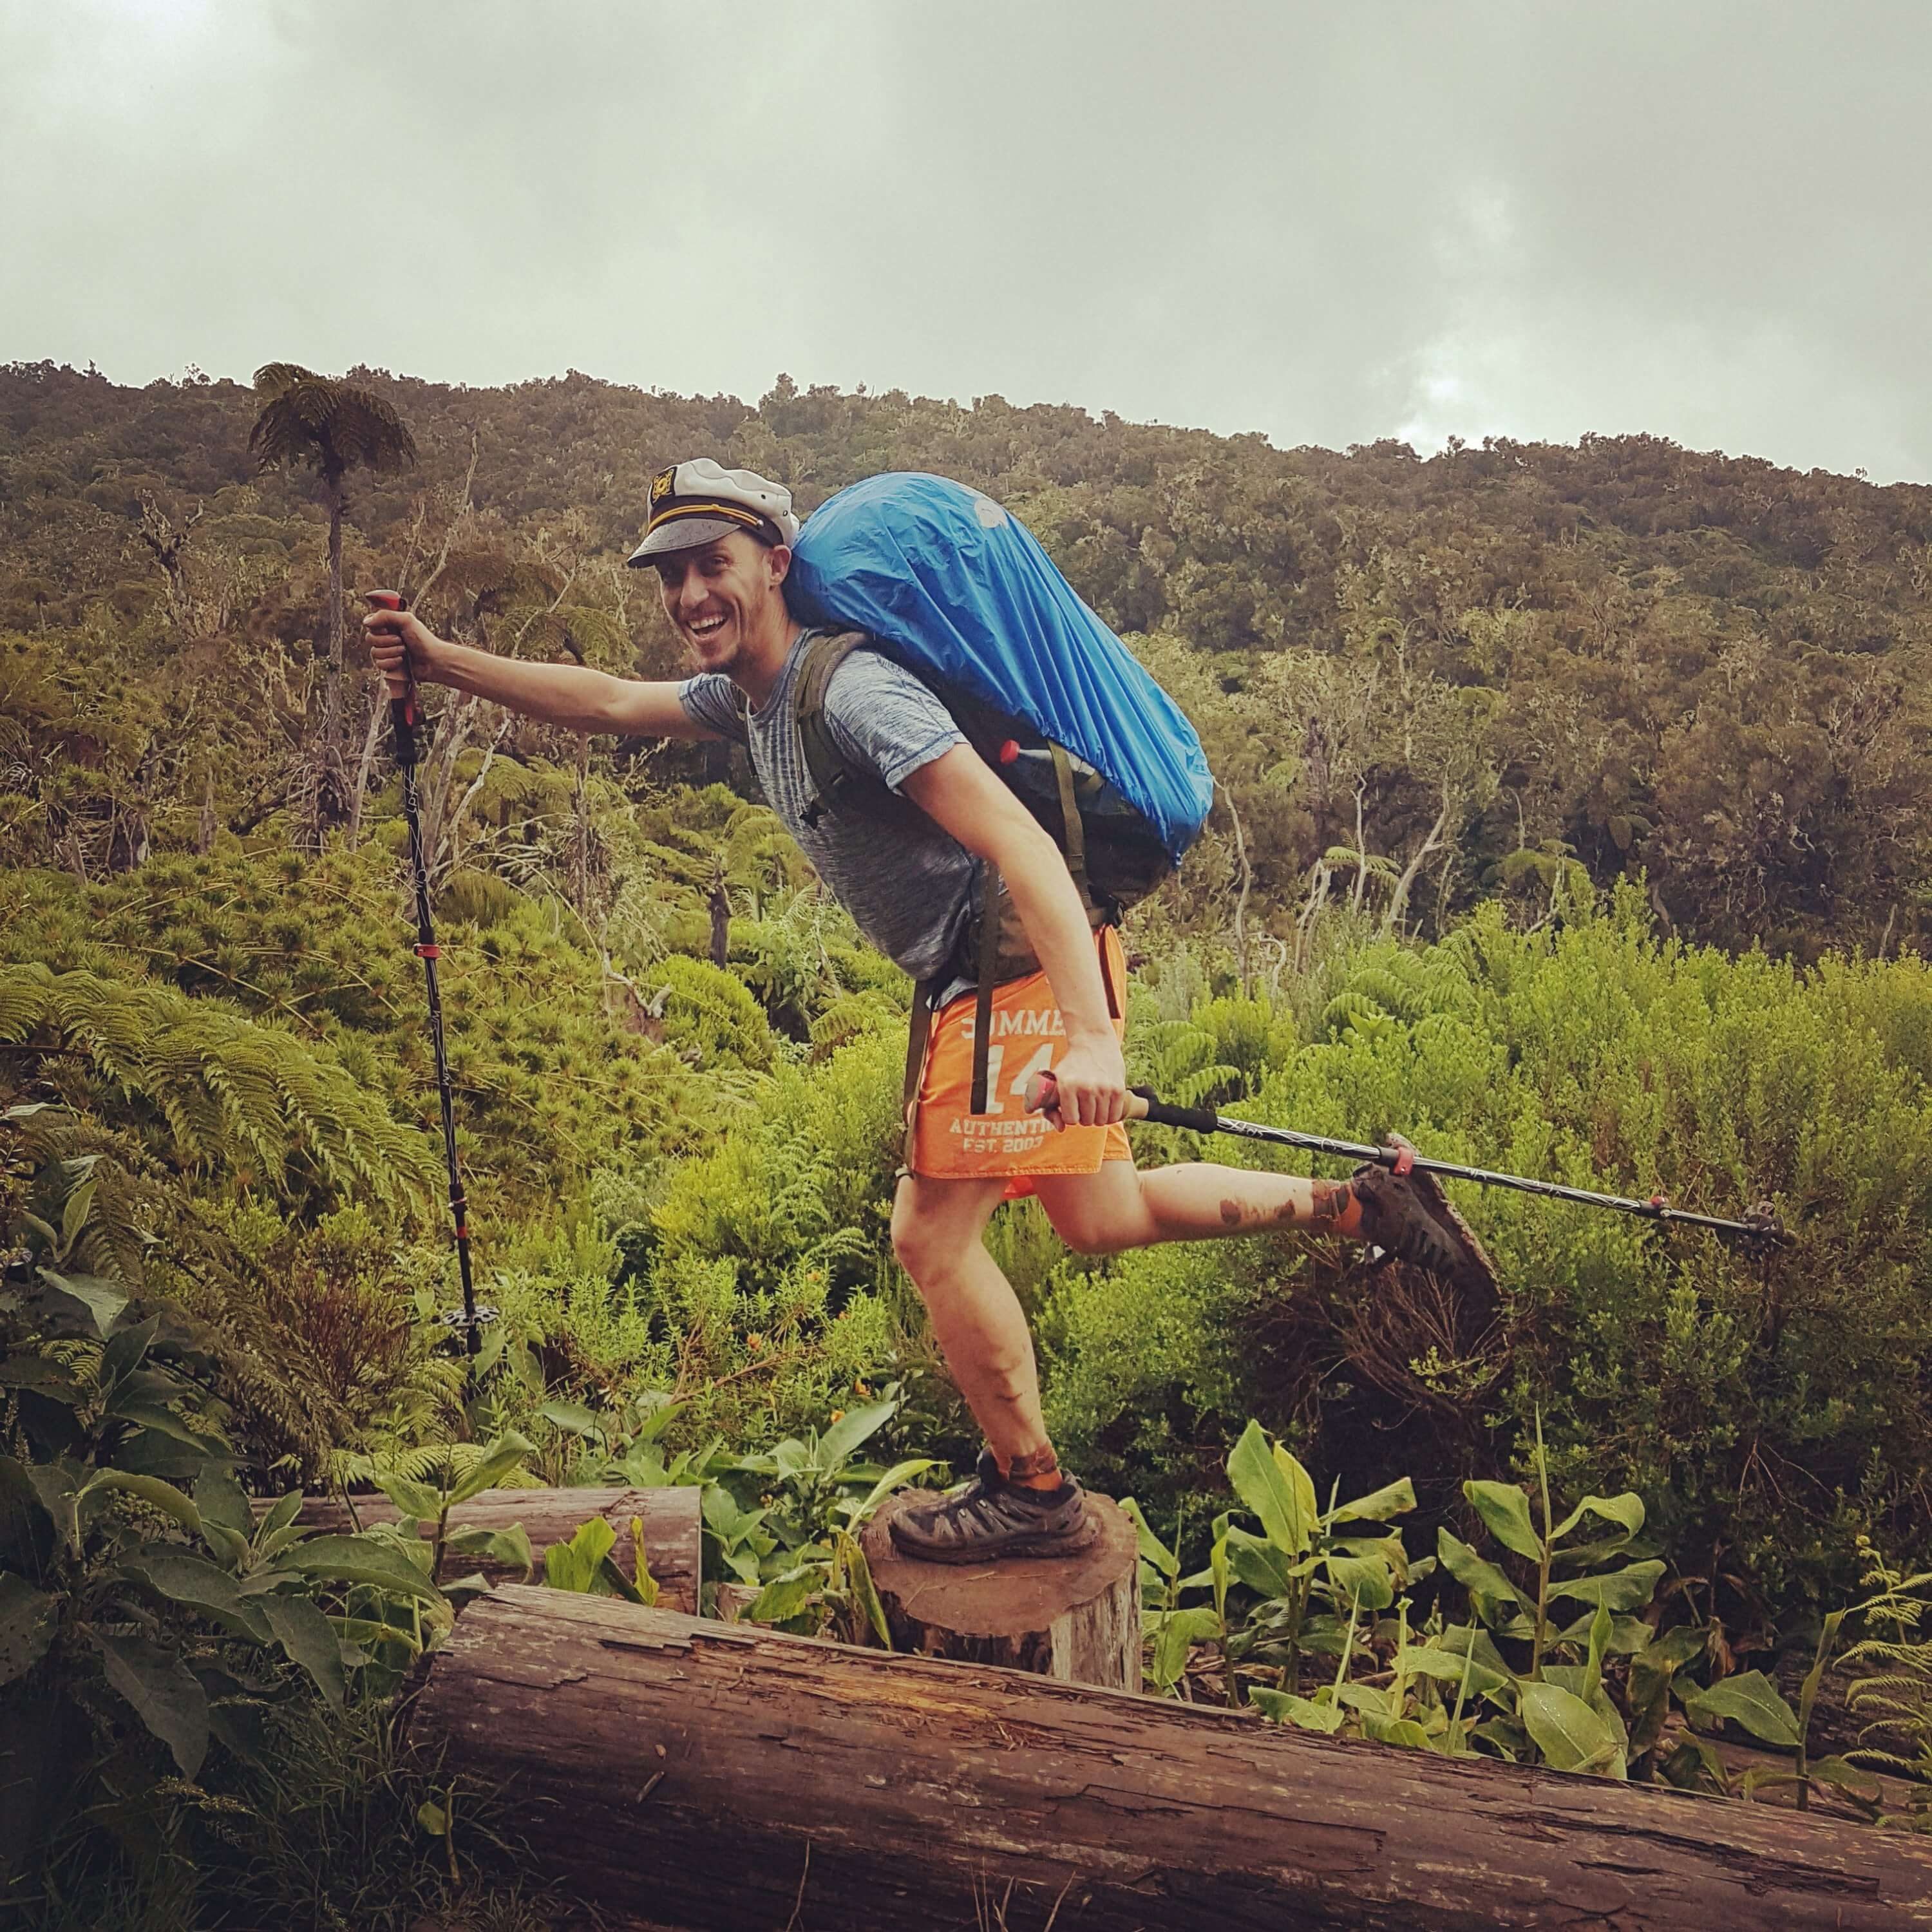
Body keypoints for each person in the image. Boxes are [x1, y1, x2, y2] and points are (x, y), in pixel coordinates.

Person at [365, 459, 1493, 1564]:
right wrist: (440, 660)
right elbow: (609, 701)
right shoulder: (747, 699)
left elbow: (1021, 843)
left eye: (714, 564)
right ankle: (1363, 1208)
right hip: (998, 976)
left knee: (927, 1236)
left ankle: (1031, 1491)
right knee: (1098, 1219)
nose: (691, 595)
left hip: (1012, 978)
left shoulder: (851, 691)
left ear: (775, 562)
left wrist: (1091, 1034)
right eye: (672, 576)